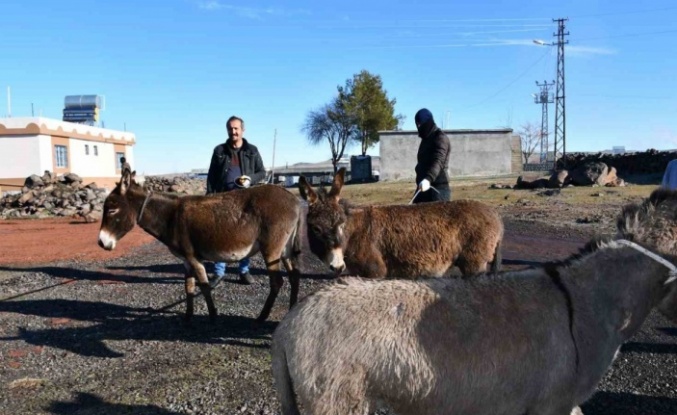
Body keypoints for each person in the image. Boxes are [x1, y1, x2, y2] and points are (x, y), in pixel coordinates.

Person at [206, 115, 266, 285]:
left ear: (242, 130)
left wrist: (250, 179)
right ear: (227, 130)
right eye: (231, 128)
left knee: (245, 235)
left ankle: (244, 271)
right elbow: (211, 177)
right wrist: (209, 198)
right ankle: (219, 273)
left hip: (246, 200)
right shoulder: (219, 151)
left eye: (236, 128)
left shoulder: (252, 150)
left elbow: (262, 172)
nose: (233, 131)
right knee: (221, 235)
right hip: (223, 199)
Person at [412, 108, 451, 203]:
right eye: (417, 125)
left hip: (437, 189)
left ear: (428, 122)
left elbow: (438, 161)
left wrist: (428, 179)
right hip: (422, 188)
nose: (419, 127)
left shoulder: (440, 138)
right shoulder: (425, 140)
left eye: (421, 124)